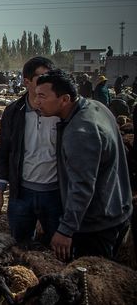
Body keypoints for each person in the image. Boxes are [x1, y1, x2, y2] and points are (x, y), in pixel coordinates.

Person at [35, 69, 132, 260]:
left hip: (96, 224)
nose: (37, 101)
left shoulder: (79, 131)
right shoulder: (97, 107)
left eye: (42, 96)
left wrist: (66, 230)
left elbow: (82, 185)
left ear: (64, 99)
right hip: (116, 208)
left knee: (91, 282)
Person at [0, 57, 62, 247]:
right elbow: (5, 151)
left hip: (55, 193)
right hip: (22, 193)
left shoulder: (60, 112)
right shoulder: (14, 112)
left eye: (50, 77)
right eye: (41, 77)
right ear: (26, 81)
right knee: (20, 246)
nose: (47, 82)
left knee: (57, 248)